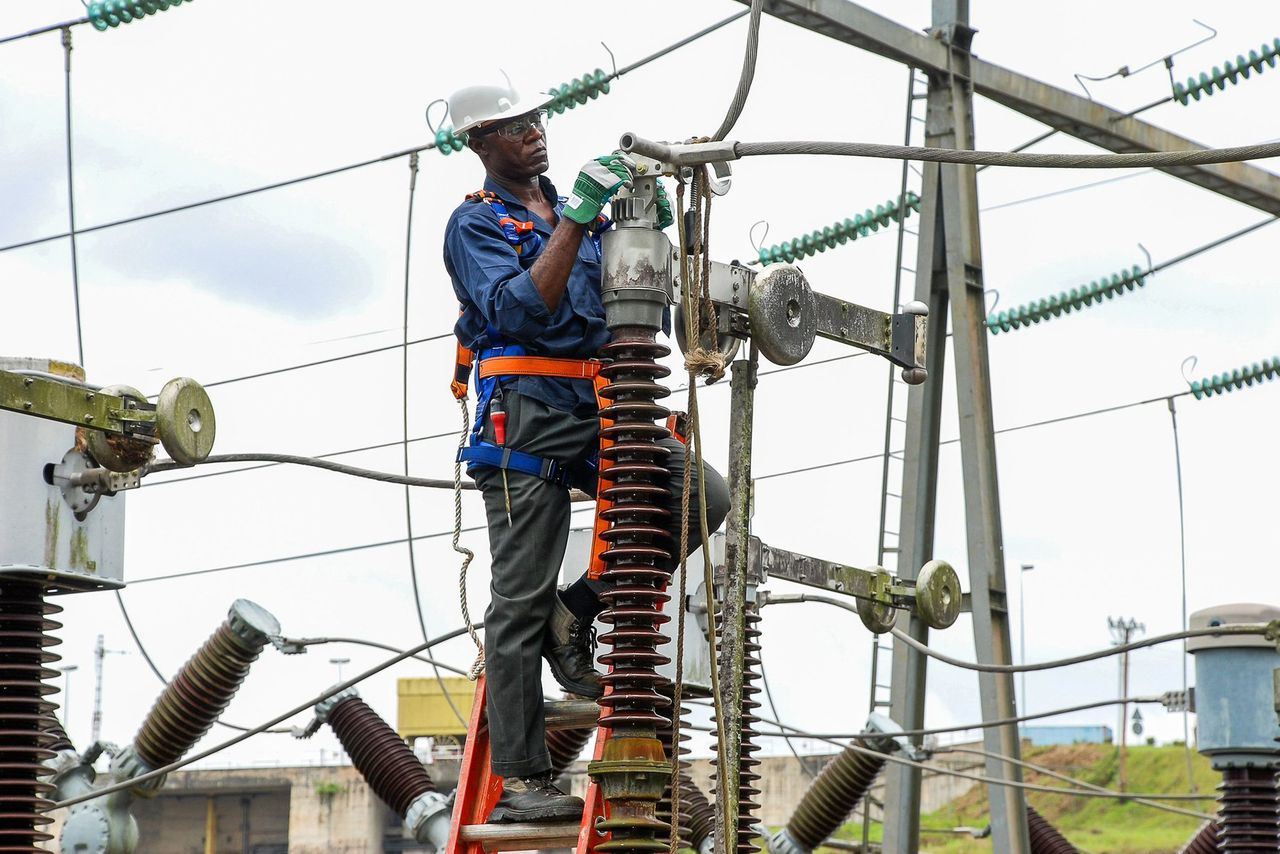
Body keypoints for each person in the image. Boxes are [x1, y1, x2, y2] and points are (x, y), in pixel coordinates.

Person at [442, 82, 729, 823]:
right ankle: (524, 785)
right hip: (524, 421)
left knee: (703, 495)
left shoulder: (595, 227)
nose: (533, 134)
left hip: (598, 407)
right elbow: (519, 307)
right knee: (517, 604)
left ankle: (579, 613)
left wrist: (656, 239)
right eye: (511, 128)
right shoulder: (476, 226)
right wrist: (574, 219)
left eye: (535, 120)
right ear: (480, 144)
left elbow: (649, 315)